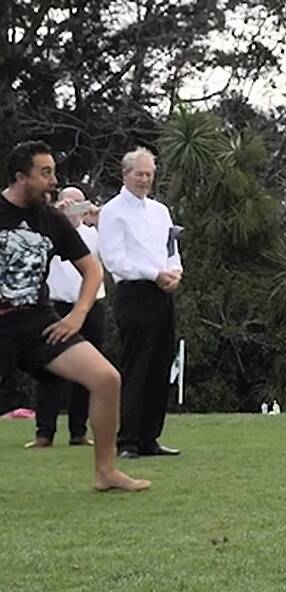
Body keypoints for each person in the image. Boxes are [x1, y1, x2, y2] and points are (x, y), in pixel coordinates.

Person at [0, 140, 150, 491]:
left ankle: (106, 472)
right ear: (21, 177)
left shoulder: (51, 220)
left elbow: (92, 270)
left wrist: (78, 314)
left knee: (107, 379)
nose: (53, 181)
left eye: (53, 171)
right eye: (45, 173)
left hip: (40, 324)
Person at [98, 147, 182, 458]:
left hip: (162, 293)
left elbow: (171, 247)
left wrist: (175, 271)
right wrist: (153, 273)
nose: (145, 180)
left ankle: (150, 438)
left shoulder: (160, 210)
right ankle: (128, 440)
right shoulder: (112, 211)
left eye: (149, 174)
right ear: (126, 174)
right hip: (135, 293)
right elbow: (114, 259)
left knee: (161, 365)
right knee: (137, 365)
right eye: (139, 174)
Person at [25, 187, 105, 448]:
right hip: (55, 306)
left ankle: (78, 432)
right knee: (49, 371)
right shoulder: (51, 231)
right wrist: (54, 214)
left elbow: (117, 239)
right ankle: (44, 432)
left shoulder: (94, 234)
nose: (72, 209)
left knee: (89, 371)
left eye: (77, 205)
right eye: (68, 204)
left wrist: (96, 213)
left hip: (90, 306)